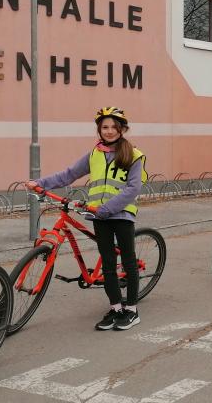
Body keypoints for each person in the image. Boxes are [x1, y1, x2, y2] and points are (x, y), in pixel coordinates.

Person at [27, 107, 147, 332]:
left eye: (113, 127)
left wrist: (107, 209)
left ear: (122, 129)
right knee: (108, 264)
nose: (109, 131)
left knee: (128, 263)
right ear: (99, 130)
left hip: (121, 215)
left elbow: (133, 188)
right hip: (98, 215)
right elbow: (69, 174)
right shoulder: (94, 154)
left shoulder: (134, 154)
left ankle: (131, 309)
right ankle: (115, 308)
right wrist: (41, 183)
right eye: (105, 127)